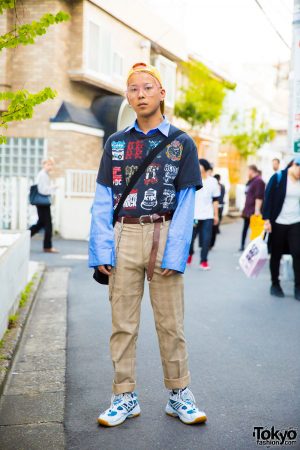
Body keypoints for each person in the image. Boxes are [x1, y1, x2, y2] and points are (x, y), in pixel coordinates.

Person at [89, 62, 207, 427]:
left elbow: (187, 202)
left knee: (171, 324)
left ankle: (178, 393)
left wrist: (177, 251)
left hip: (164, 233)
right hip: (124, 234)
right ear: (128, 96)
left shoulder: (181, 142)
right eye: (133, 89)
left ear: (161, 93)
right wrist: (101, 251)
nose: (140, 94)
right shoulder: (116, 143)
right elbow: (102, 199)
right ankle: (124, 395)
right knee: (122, 323)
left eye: (147, 87)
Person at [263, 157, 300, 300]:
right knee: (276, 254)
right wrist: (267, 220)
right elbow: (268, 199)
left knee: (298, 253)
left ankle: (298, 287)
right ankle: (275, 284)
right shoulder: (278, 177)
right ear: (294, 165)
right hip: (278, 222)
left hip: (296, 222)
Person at [187, 158, 219, 270]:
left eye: (199, 165)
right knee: (190, 239)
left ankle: (204, 261)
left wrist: (216, 215)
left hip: (208, 215)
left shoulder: (213, 182)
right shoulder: (192, 179)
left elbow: (215, 200)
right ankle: (189, 254)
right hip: (194, 215)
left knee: (206, 240)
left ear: (204, 167)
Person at [29, 158, 59, 253]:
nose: (50, 166)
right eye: (48, 164)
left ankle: (24, 236)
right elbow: (43, 190)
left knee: (41, 223)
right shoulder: (43, 175)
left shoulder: (44, 175)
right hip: (43, 203)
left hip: (42, 203)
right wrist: (53, 188)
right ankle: (47, 247)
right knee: (48, 224)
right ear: (44, 165)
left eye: (51, 164)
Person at [239, 165, 265, 251]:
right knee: (245, 229)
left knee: (255, 231)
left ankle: (255, 248)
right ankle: (243, 245)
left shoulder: (259, 181)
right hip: (248, 210)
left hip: (254, 211)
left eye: (248, 171)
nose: (247, 173)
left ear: (252, 170)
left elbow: (259, 197)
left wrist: (257, 210)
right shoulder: (251, 181)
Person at [211, 173, 225, 248]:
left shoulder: (215, 186)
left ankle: (216, 229)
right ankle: (217, 229)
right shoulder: (222, 186)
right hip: (220, 205)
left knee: (215, 220)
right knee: (218, 219)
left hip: (215, 205)